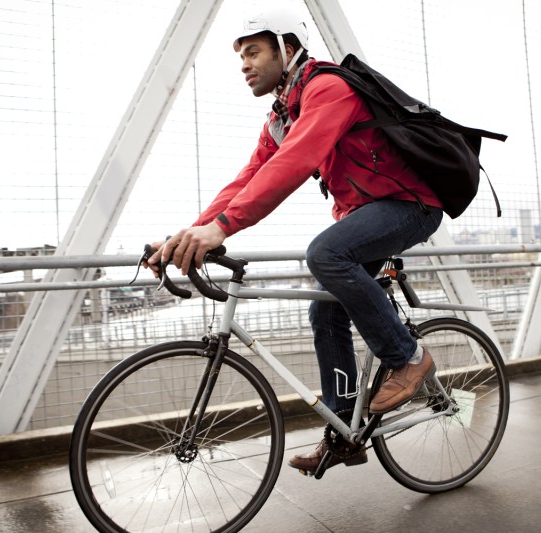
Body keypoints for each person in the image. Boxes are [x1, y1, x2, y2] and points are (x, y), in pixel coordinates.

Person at [146, 7, 443, 473]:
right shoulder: (281, 117)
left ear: (288, 48)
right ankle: (343, 431)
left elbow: (294, 164)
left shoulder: (330, 88)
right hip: (366, 213)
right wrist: (188, 233)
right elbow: (247, 180)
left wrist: (222, 228)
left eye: (253, 51)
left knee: (325, 254)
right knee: (324, 309)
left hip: (411, 205)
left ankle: (408, 356)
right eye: (240, 56)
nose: (244, 63)